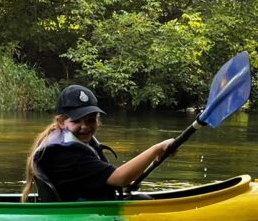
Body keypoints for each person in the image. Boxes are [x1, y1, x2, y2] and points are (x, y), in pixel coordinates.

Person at [21, 84, 174, 202]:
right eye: (76, 121)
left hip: (80, 207)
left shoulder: (65, 140)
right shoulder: (68, 155)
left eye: (91, 120)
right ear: (61, 122)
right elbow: (120, 178)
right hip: (78, 218)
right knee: (142, 202)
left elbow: (104, 179)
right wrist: (157, 148)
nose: (85, 127)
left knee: (140, 199)